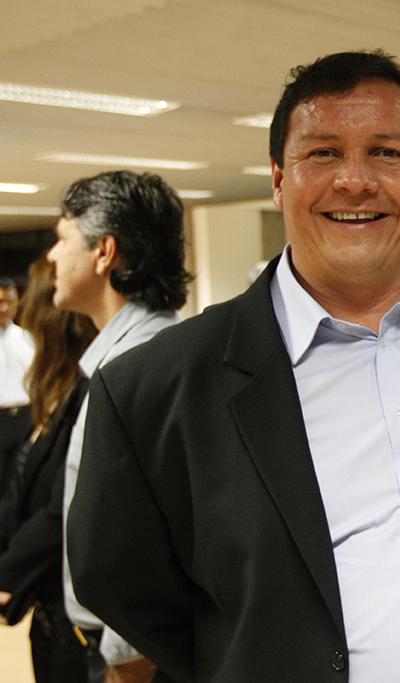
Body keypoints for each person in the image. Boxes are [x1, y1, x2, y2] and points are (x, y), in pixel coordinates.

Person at [67, 51, 400, 683]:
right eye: (323, 153)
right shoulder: (153, 389)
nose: (355, 181)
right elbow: (122, 585)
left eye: (387, 153)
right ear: (278, 179)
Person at [51, 170, 190, 682]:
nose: (52, 257)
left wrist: (127, 658)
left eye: (62, 239)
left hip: (136, 661)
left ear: (104, 252)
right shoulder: (129, 358)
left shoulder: (140, 367)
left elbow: (150, 536)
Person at [0, 257, 98, 682]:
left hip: (71, 617)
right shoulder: (54, 390)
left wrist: (7, 574)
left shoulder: (87, 389)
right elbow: (19, 493)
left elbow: (63, 506)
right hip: (46, 613)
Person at [0, 277, 35, 491]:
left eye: (9, 302)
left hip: (25, 417)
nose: (4, 308)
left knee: (21, 480)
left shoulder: (28, 339)